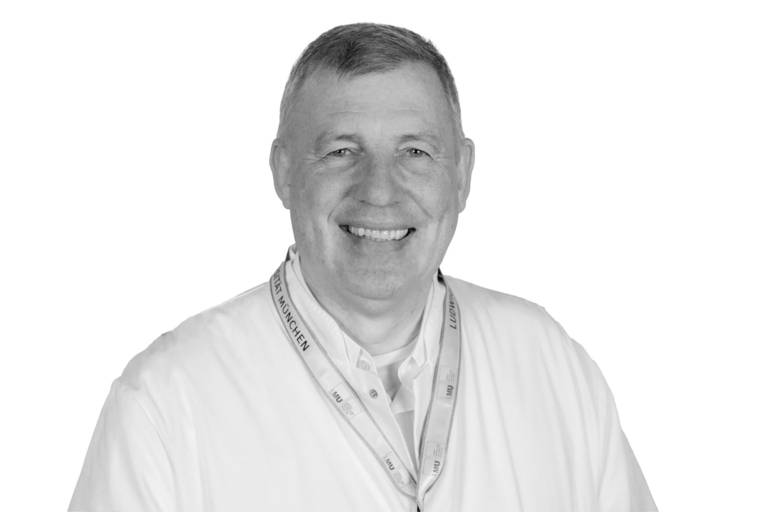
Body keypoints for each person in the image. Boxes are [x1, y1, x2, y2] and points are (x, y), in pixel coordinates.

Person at [68, 23, 657, 512]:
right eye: (342, 151)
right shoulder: (166, 402)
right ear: (283, 172)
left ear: (462, 174)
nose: (379, 190)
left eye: (415, 152)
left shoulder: (553, 367)